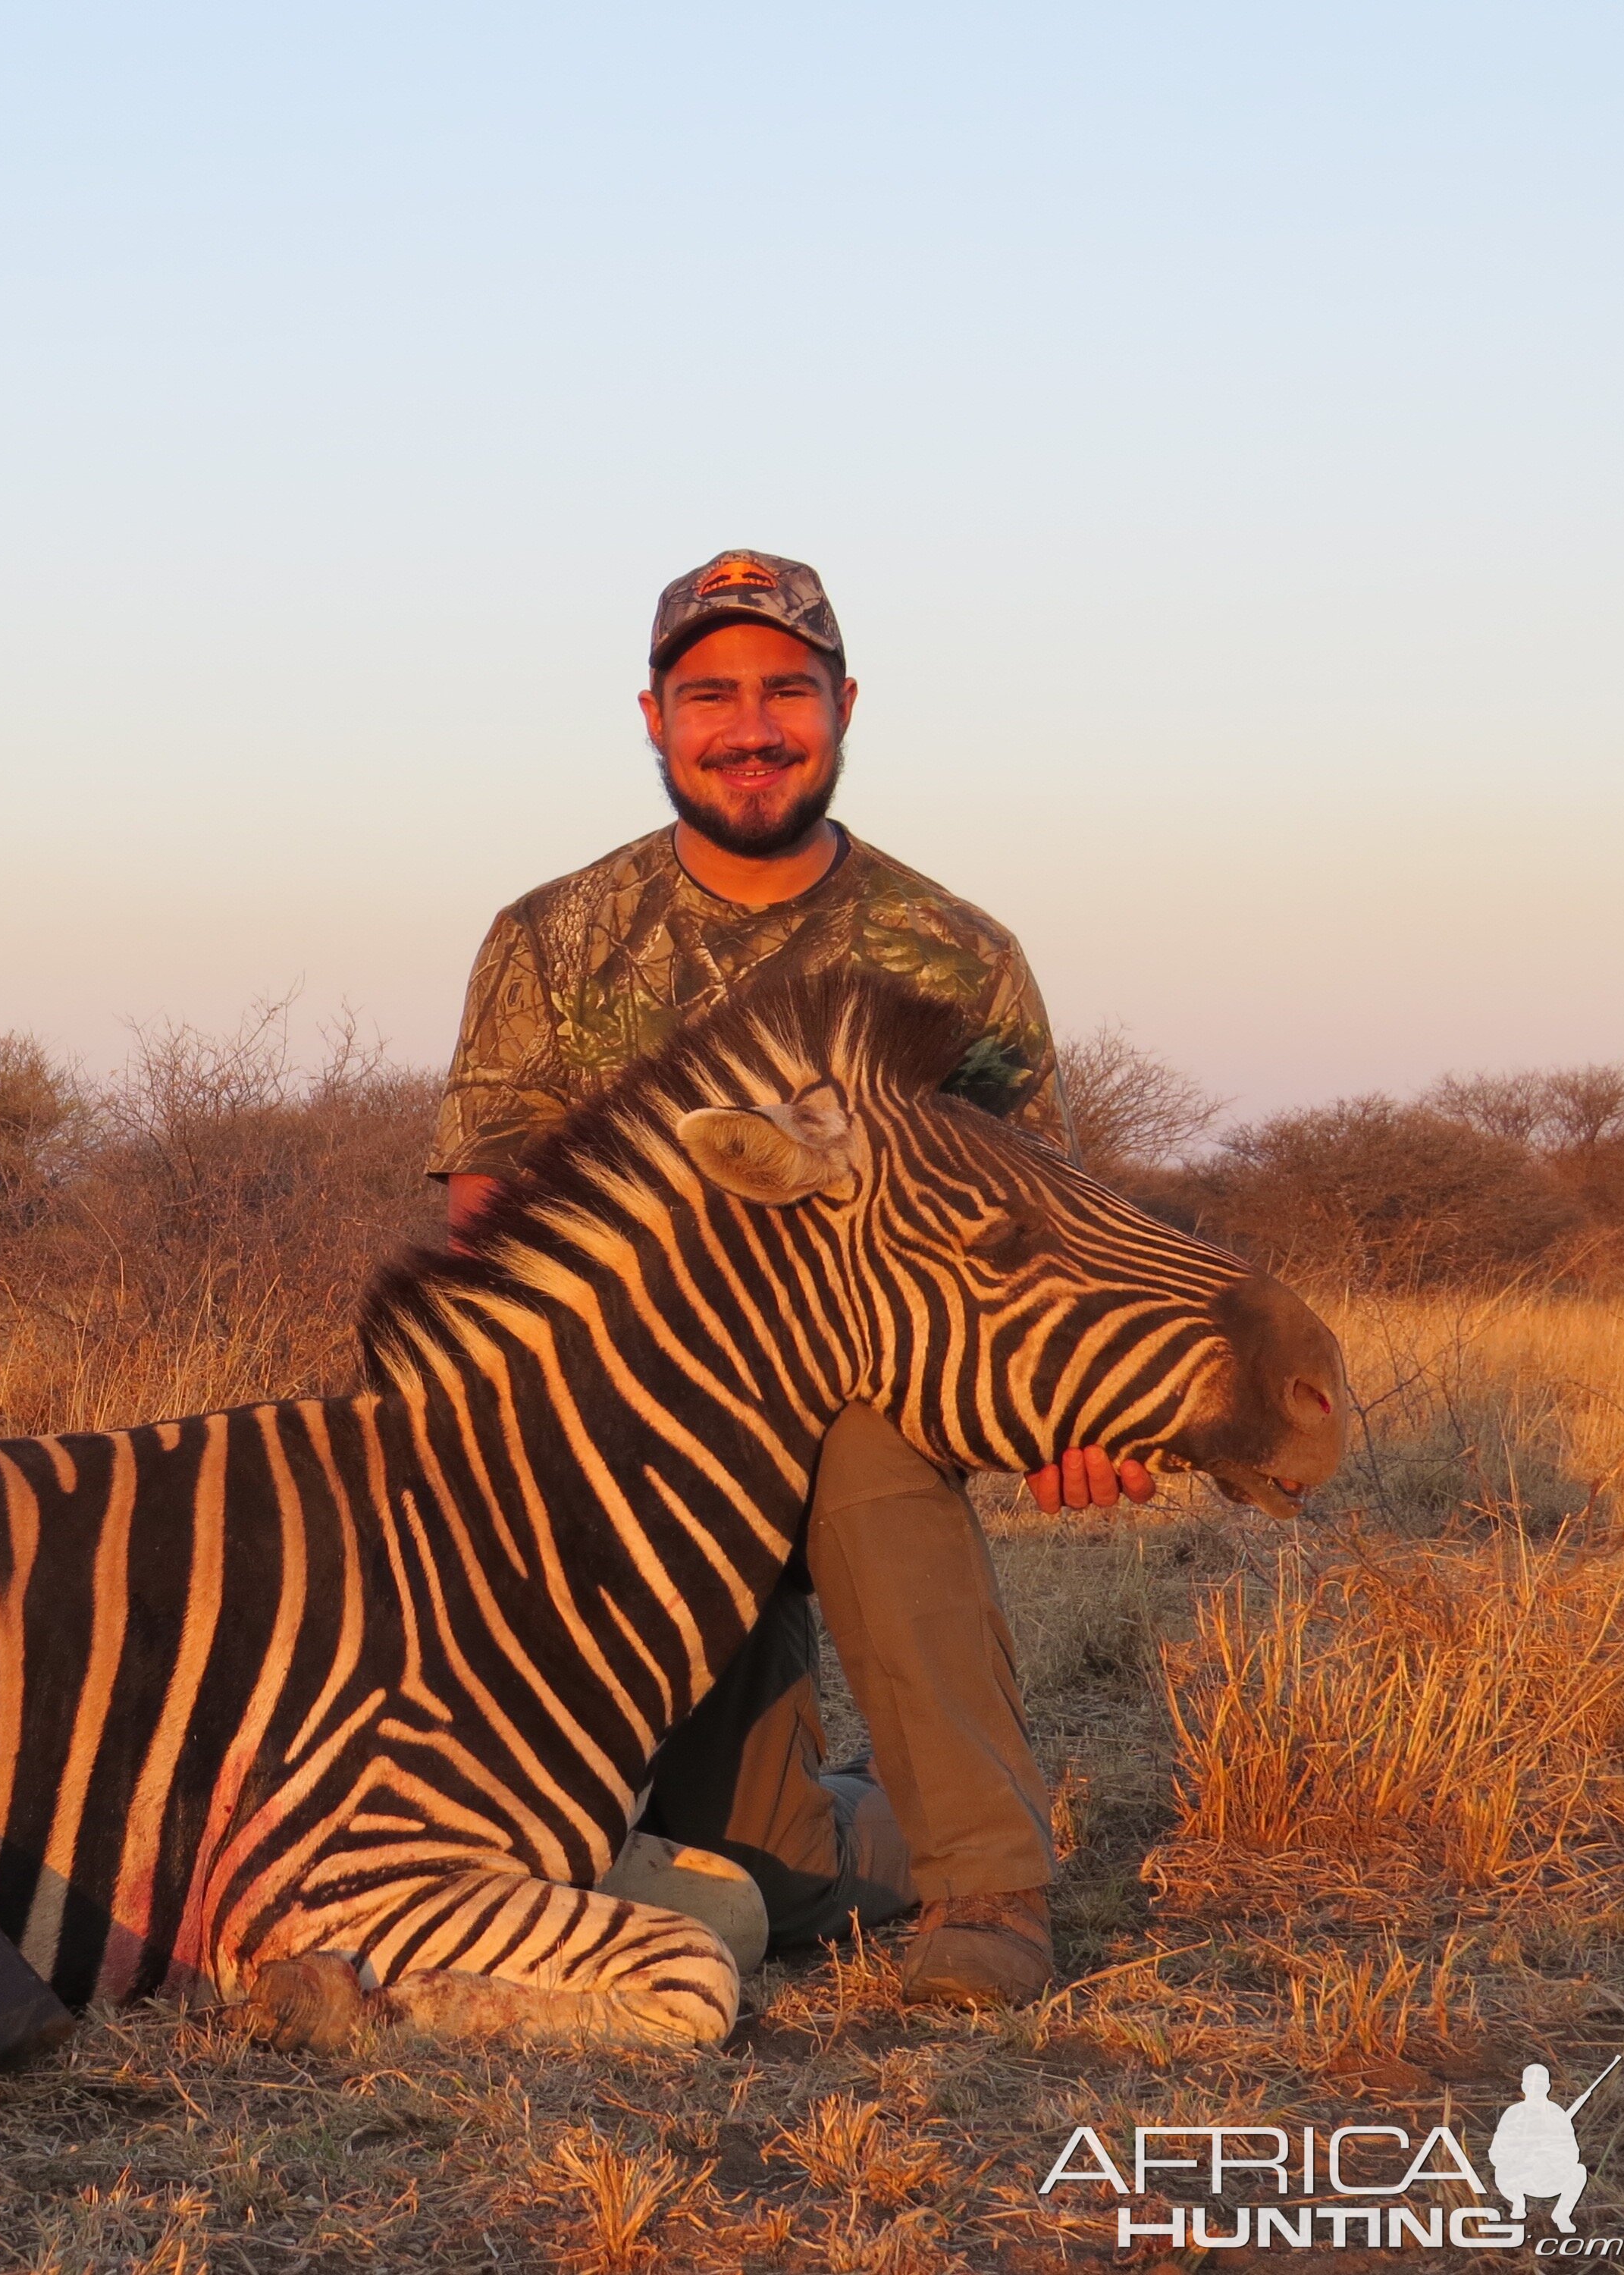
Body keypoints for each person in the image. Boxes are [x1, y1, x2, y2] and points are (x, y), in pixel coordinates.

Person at [427, 547, 1151, 2006]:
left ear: (843, 704)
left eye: (784, 690)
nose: (749, 726)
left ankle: (991, 1891)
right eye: (711, 696)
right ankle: (856, 1837)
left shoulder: (957, 950)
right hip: (640, 1422)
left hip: (868, 1391)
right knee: (751, 1872)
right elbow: (488, 1219)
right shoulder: (548, 936)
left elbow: (1034, 1237)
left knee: (876, 1468)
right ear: (653, 715)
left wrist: (1082, 1410)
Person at [1491, 2066, 1591, 2233]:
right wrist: (1522, 2156)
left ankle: (1562, 2214)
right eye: (1531, 2085)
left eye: (1540, 2085)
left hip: (1551, 2176)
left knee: (1579, 2172)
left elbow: (1573, 2153)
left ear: (1547, 2087)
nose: (1535, 2089)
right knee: (1501, 2171)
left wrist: (1552, 2156)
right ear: (1523, 2087)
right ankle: (1518, 2203)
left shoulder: (1556, 2114)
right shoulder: (1513, 2113)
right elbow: (1497, 2152)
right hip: (1521, 2176)